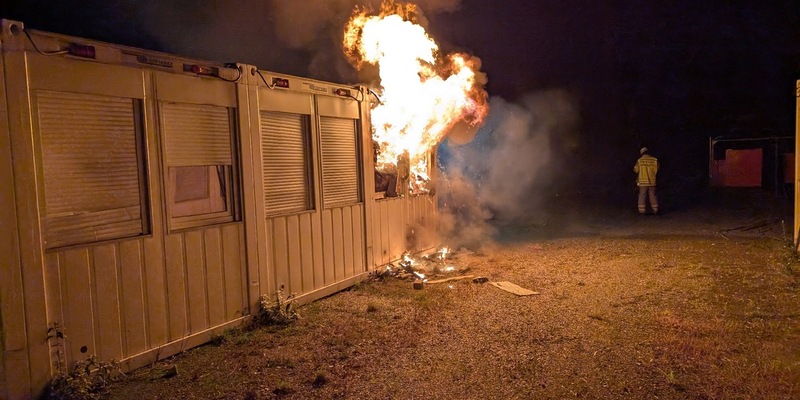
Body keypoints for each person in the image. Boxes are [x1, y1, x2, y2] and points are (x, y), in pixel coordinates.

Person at [634, 147, 658, 214]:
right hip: (652, 181)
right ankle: (655, 210)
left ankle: (642, 211)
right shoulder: (655, 160)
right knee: (653, 195)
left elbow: (636, 170)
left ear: (641, 153)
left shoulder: (639, 160)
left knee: (642, 195)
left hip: (642, 182)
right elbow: (657, 169)